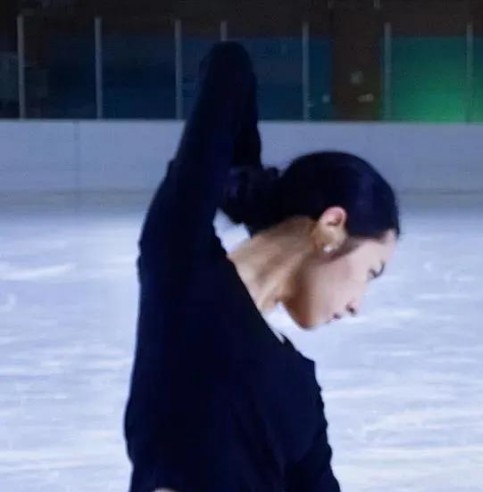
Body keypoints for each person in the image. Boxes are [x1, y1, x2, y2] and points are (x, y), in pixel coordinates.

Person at [124, 42, 400, 491]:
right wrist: (248, 178)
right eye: (370, 272)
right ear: (332, 226)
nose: (357, 305)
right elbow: (228, 67)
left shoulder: (300, 392)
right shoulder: (184, 271)